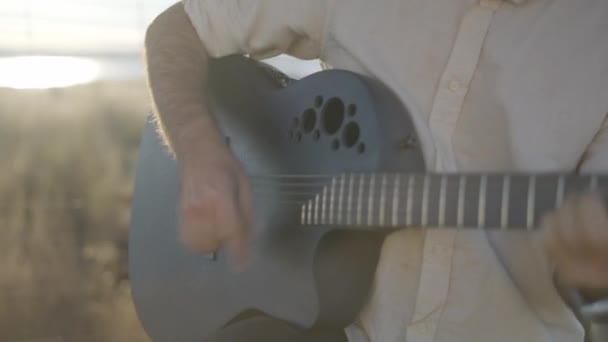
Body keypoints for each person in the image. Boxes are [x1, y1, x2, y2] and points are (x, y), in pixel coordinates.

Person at [143, 1, 608, 341]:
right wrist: (200, 152)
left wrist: (593, 277)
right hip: (331, 329)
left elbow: (595, 278)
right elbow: (177, 29)